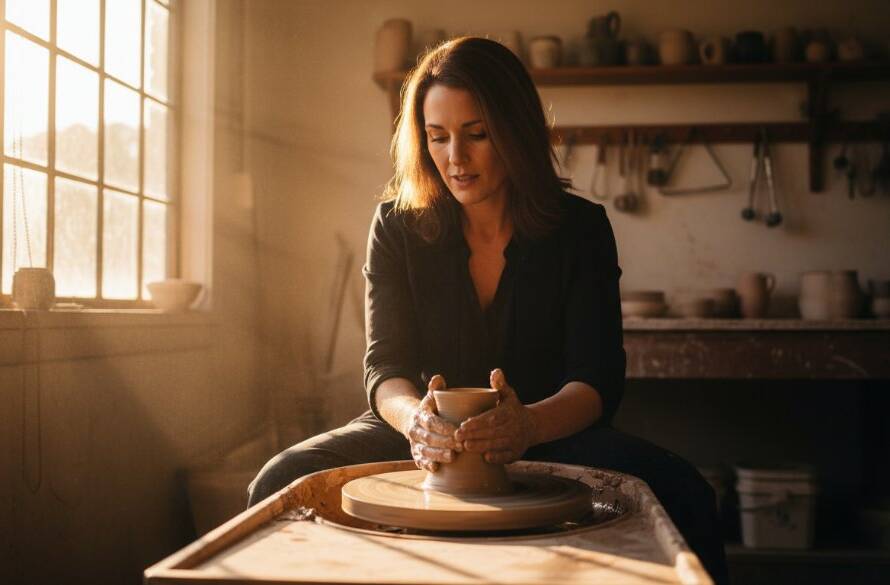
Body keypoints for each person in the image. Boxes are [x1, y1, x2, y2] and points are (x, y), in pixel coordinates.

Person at [247, 36, 728, 583]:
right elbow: (386, 370)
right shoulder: (397, 227)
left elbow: (595, 380)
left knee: (686, 493)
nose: (456, 157)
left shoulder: (580, 229)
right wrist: (416, 422)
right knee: (280, 479)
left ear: (515, 132)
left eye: (476, 135)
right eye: (438, 137)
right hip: (426, 430)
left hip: (550, 426)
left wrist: (525, 425)